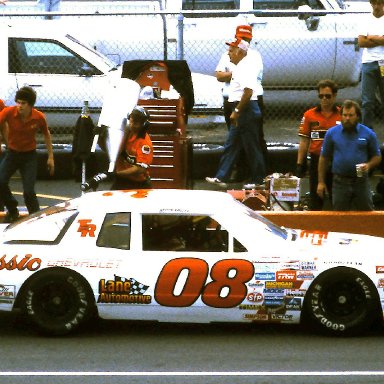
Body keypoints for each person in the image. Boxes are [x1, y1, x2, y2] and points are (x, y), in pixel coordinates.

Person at [206, 38, 266, 189]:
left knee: (251, 145)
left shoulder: (246, 68)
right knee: (232, 144)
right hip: (241, 109)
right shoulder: (239, 67)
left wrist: (237, 111)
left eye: (231, 50)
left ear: (240, 51)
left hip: (246, 110)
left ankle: (259, 179)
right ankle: (222, 176)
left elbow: (248, 92)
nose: (229, 53)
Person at [0, 87, 54, 222]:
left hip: (29, 157)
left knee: (29, 191)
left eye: (23, 103)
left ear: (30, 105)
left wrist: (51, 157)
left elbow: (47, 134)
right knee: (1, 181)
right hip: (12, 154)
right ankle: (13, 209)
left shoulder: (38, 117)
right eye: (18, 102)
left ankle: (36, 217)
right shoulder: (8, 112)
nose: (19, 106)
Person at [317, 100, 381, 211]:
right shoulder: (332, 133)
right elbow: (324, 158)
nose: (347, 118)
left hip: (361, 182)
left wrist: (368, 165)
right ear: (341, 116)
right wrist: (321, 182)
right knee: (340, 217)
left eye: (351, 115)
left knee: (367, 215)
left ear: (357, 116)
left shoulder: (368, 134)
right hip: (340, 182)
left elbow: (377, 156)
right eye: (345, 115)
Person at [296, 79, 341, 210]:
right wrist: (300, 163)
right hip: (316, 162)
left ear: (335, 95)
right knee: (316, 201)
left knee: (336, 199)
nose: (324, 99)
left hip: (336, 162)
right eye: (321, 96)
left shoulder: (342, 115)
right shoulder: (309, 115)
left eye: (328, 96)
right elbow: (304, 141)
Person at [111, 106, 153, 190]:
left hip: (138, 183)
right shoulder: (124, 133)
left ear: (144, 125)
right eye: (131, 121)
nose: (132, 125)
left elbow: (140, 169)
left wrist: (117, 174)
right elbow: (113, 152)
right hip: (121, 180)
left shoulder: (145, 144)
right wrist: (101, 138)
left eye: (136, 123)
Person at [357, 0, 384, 130]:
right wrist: (381, 39)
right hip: (368, 63)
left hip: (383, 63)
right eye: (375, 3)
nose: (377, 6)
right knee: (367, 101)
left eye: (380, 3)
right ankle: (366, 131)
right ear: (371, 4)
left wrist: (371, 37)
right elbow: (361, 42)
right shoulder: (365, 20)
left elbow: (367, 39)